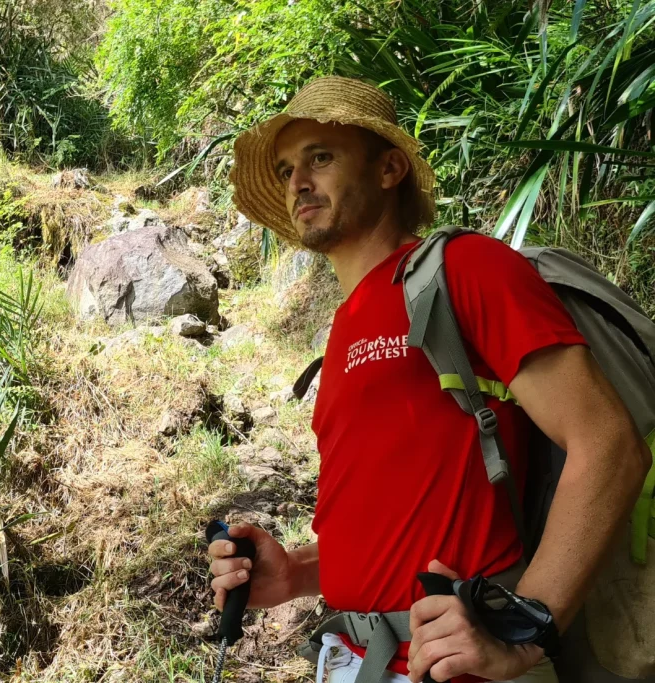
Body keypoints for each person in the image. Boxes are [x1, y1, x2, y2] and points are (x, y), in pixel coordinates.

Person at [207, 76, 651, 683]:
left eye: (321, 157)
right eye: (286, 169)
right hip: (354, 659)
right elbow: (405, 515)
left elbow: (609, 444)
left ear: (390, 169)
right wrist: (298, 572)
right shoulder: (343, 329)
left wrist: (529, 629)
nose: (298, 183)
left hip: (459, 666)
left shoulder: (468, 270)